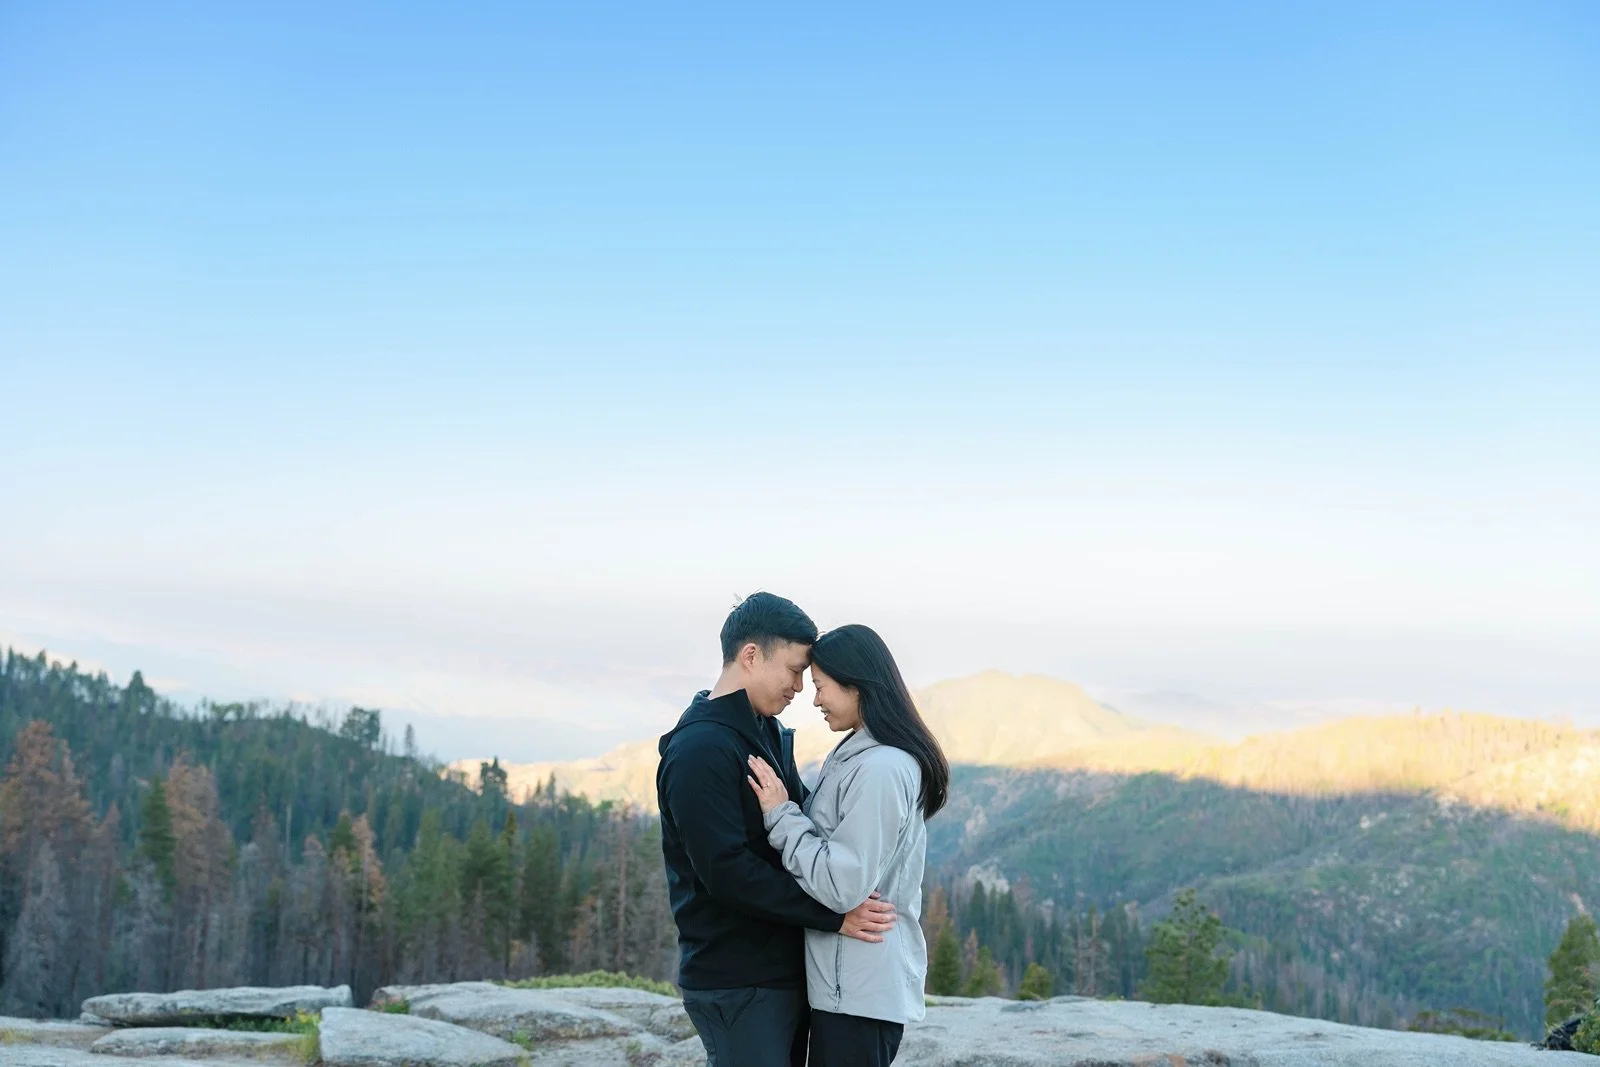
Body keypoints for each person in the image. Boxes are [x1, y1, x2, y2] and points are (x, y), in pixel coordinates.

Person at [657, 594, 899, 1067]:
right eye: (793, 670)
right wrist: (833, 915)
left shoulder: (765, 730)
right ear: (750, 656)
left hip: (776, 971)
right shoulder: (701, 750)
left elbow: (800, 821)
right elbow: (725, 872)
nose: (799, 688)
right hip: (737, 977)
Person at [746, 623, 949, 1067]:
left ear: (856, 685)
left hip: (860, 992)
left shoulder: (881, 768)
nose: (814, 698)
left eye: (820, 686)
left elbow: (842, 886)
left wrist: (781, 815)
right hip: (848, 987)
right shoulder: (858, 754)